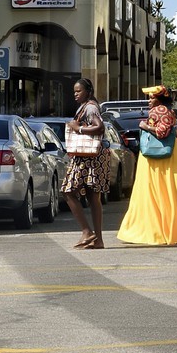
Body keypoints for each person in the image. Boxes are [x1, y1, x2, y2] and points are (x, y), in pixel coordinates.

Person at [118, 85, 177, 245]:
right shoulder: (166, 110)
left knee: (155, 191)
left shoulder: (159, 110)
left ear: (159, 99)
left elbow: (162, 132)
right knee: (174, 191)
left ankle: (155, 231)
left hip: (160, 157)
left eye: (151, 98)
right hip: (171, 155)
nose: (149, 101)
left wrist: (145, 126)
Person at [61, 78, 110, 250]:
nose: (75, 94)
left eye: (78, 91)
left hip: (87, 158)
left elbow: (99, 127)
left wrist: (78, 128)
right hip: (93, 156)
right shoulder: (89, 105)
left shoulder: (90, 107)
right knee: (92, 197)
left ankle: (87, 232)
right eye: (74, 91)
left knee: (68, 191)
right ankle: (98, 240)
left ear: (88, 91)